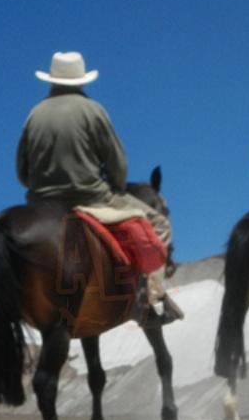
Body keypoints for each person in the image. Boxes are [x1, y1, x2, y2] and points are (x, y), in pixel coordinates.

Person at [16, 51, 179, 322]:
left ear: (51, 80)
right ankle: (153, 298)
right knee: (159, 224)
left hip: (41, 202)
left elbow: (22, 172)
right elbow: (118, 164)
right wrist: (115, 186)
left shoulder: (34, 114)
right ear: (81, 81)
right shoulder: (93, 110)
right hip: (92, 197)